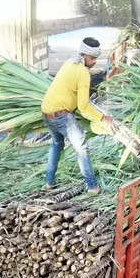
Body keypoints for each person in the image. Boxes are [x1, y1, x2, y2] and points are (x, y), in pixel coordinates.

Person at [41, 37, 114, 194]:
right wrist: (103, 118)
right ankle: (92, 186)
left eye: (96, 58)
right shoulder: (82, 72)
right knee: (82, 148)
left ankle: (49, 182)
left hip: (46, 111)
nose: (94, 62)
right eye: (93, 58)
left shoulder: (70, 62)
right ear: (85, 55)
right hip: (62, 116)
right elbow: (84, 107)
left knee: (56, 144)